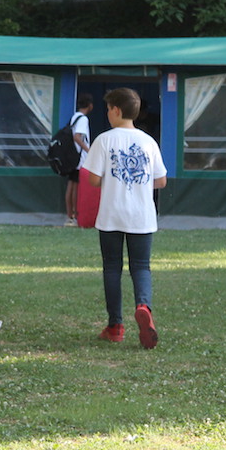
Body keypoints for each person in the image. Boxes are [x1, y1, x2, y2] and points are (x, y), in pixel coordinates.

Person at [83, 87, 167, 349]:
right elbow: (161, 180)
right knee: (141, 266)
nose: (107, 114)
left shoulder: (104, 140)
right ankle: (143, 305)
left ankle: (115, 326)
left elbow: (94, 179)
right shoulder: (149, 141)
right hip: (141, 216)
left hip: (111, 214)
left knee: (112, 267)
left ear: (116, 110)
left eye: (108, 109)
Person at [64, 93, 93, 226]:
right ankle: (74, 215)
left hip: (72, 156)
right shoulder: (83, 119)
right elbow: (77, 136)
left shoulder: (74, 117)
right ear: (90, 105)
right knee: (75, 187)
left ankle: (70, 215)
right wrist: (89, 150)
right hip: (79, 158)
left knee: (71, 185)